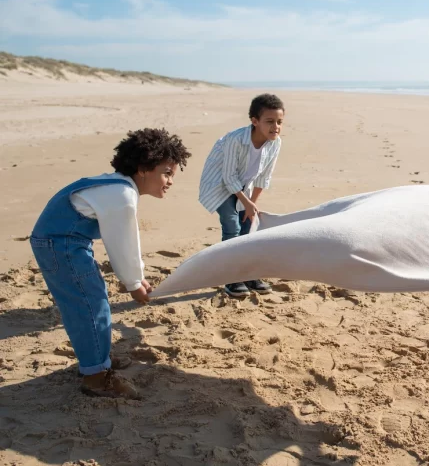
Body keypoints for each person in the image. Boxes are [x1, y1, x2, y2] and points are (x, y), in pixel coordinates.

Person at [29, 128, 191, 399]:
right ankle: (96, 378)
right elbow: (123, 243)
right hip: (62, 244)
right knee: (89, 305)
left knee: (90, 300)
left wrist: (136, 277)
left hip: (62, 241)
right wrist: (133, 283)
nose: (171, 180)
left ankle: (96, 360)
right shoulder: (122, 196)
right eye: (167, 172)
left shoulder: (117, 186)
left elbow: (125, 241)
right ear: (143, 168)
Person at [198, 93, 284, 297]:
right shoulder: (235, 139)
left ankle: (247, 274)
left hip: (243, 185)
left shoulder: (275, 143)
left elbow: (264, 176)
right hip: (219, 186)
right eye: (269, 121)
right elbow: (228, 177)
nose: (276, 127)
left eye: (280, 122)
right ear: (255, 121)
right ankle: (231, 279)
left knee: (247, 227)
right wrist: (245, 202)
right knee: (232, 227)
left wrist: (251, 204)